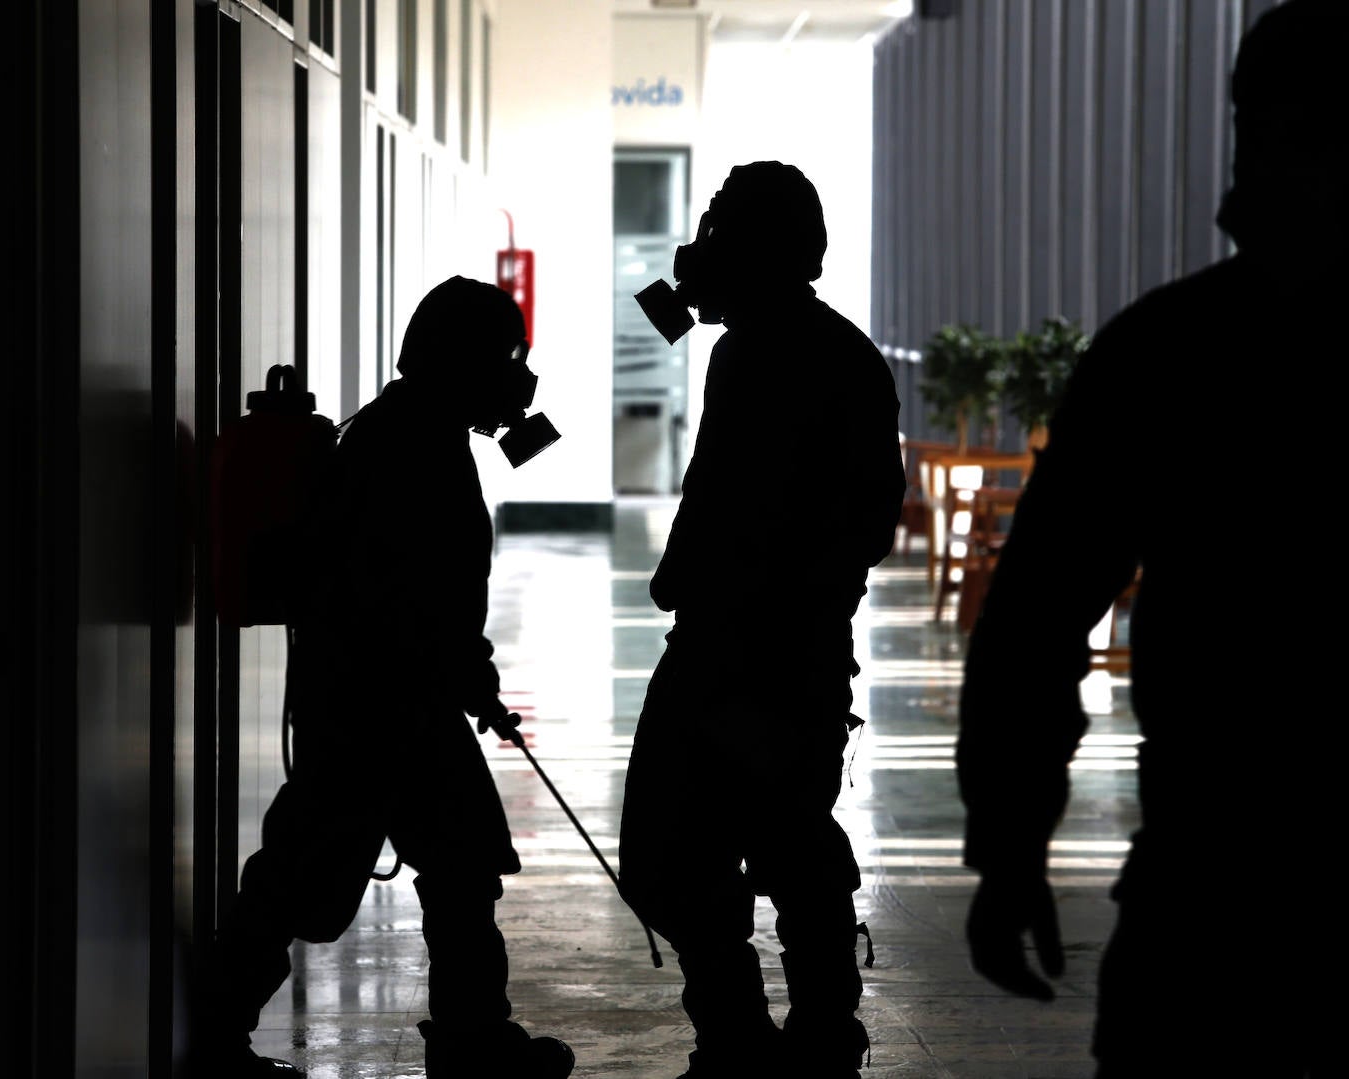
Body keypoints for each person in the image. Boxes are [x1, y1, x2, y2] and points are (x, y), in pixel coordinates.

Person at [955, 2, 1343, 1075]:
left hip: (1213, 884)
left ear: (1249, 132)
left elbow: (1035, 613)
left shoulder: (1171, 349)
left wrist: (1012, 845)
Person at [203, 277, 572, 1079]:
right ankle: (215, 1035)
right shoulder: (407, 443)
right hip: (380, 705)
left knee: (453, 865)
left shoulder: (413, 430)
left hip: (390, 698)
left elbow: (424, 586)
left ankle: (472, 1036)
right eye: (507, 355)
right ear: (460, 357)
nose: (518, 375)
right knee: (308, 871)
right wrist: (461, 670)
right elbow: (404, 587)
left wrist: (462, 670)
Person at [619, 161, 906, 1078]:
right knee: (785, 839)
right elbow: (869, 518)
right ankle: (818, 1038)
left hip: (737, 653)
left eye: (719, 231)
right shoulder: (836, 353)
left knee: (679, 851)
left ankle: (747, 1041)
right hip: (795, 654)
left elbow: (735, 502)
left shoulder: (760, 354)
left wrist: (702, 585)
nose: (700, 252)